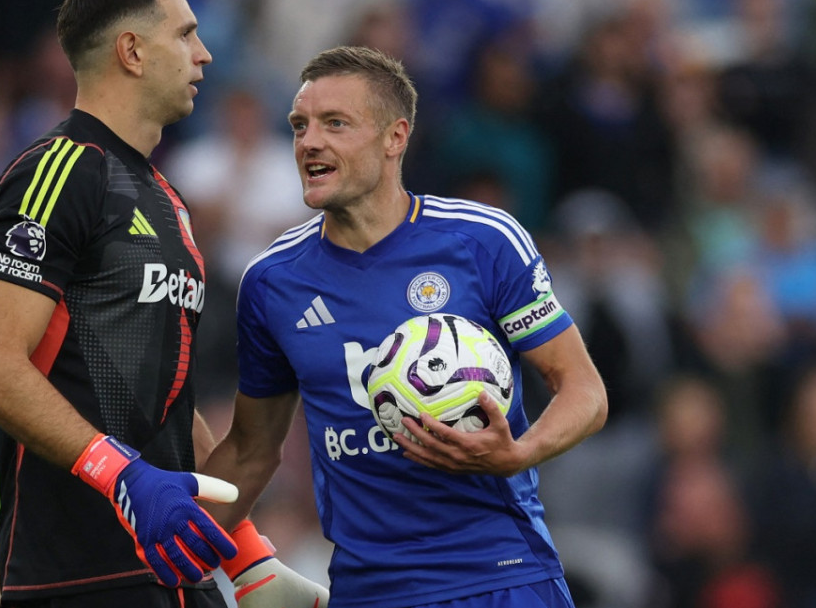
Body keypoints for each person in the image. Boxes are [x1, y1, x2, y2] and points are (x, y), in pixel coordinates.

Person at [0, 0, 325, 608]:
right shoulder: (56, 171)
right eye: (186, 35)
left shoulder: (166, 197)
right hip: (78, 577)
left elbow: (167, 395)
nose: (204, 53)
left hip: (173, 569)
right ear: (131, 51)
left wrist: (245, 557)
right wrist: (123, 475)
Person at [200, 46, 609, 608]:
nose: (309, 142)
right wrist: (165, 555)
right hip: (371, 592)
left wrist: (521, 451)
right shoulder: (272, 282)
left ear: (395, 137)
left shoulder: (483, 241)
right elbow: (250, 450)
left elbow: (584, 389)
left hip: (500, 577)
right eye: (300, 125)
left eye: (335, 124)